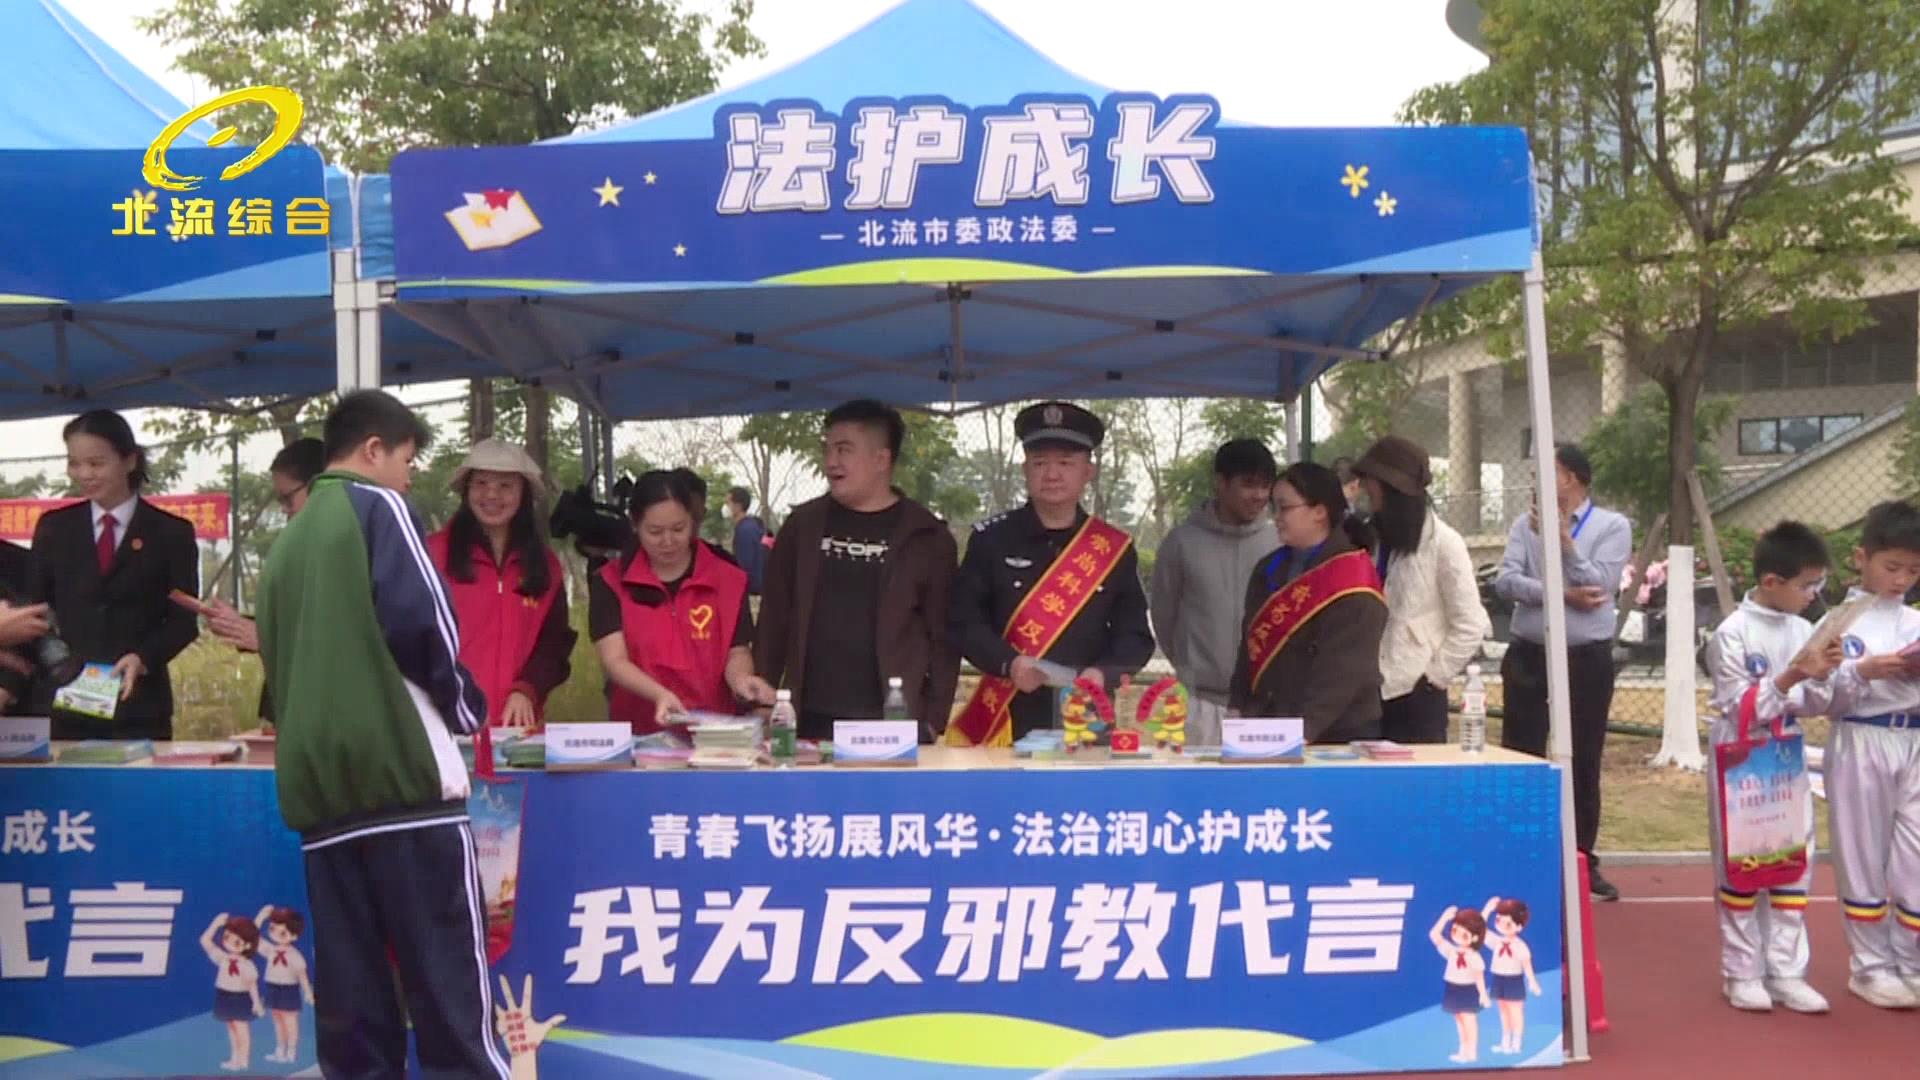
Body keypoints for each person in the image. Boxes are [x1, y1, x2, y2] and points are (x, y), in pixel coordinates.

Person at [255, 389, 508, 1079]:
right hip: (404, 782)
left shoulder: (287, 544)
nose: (409, 475)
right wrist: (467, 708)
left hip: (322, 797)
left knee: (354, 1002)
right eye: (407, 459)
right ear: (374, 450)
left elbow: (277, 663)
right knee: (449, 988)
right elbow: (425, 623)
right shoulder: (377, 506)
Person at [949, 402, 1153, 745]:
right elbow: (964, 622)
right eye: (1040, 462)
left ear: (1088, 471)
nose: (1052, 474)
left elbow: (1134, 636)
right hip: (1008, 714)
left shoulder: (1112, 548)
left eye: (1065, 463)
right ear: (1025, 469)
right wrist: (1009, 663)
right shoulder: (991, 540)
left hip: (1086, 712)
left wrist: (1102, 674)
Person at [757, 400, 960, 741]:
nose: (831, 462)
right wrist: (762, 699)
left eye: (844, 450)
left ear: (881, 459)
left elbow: (944, 635)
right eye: (828, 449)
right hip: (808, 718)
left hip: (891, 722)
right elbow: (774, 618)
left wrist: (933, 718)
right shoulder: (802, 526)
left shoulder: (927, 536)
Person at [1701, 521, 1839, 1014]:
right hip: (1741, 755)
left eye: (1819, 585)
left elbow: (1818, 701)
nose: (1813, 594)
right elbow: (1742, 708)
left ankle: (1787, 971)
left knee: (1791, 862)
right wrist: (1792, 677)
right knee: (1744, 863)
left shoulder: (1805, 630)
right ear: (1771, 582)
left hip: (1787, 754)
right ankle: (1742, 972)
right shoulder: (1731, 634)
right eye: (1807, 585)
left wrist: (1822, 674)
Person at [0, 409, 199, 738]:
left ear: (129, 461)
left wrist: (143, 657)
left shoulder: (171, 533)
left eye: (96, 463)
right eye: (74, 464)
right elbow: (34, 612)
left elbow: (183, 621)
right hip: (65, 702)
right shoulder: (54, 528)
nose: (84, 474)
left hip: (138, 707)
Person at [1493, 443, 1631, 902]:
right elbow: (1506, 581)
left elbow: (1601, 586)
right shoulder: (1523, 525)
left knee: (1583, 757)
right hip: (1530, 652)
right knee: (1521, 754)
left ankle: (1581, 860)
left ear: (1570, 478)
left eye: (1545, 472)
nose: (1535, 480)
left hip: (1585, 658)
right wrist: (1561, 595)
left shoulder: (1611, 526)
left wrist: (1565, 544)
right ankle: (1518, 856)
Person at [1811, 500, 1920, 1009]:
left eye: (1913, 570)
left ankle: (1910, 959)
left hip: (1914, 740)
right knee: (1862, 853)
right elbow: (1819, 698)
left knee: (1915, 854)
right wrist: (1860, 673)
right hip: (1860, 737)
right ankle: (1870, 966)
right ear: (1862, 558)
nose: (1902, 580)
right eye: (1892, 566)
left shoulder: (1914, 621)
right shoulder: (1839, 624)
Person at [592, 470, 774, 732]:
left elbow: (737, 650)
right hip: (641, 734)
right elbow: (615, 660)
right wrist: (659, 694)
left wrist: (741, 680)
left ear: (693, 520)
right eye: (655, 531)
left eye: (678, 529)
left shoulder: (729, 579)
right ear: (635, 524)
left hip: (715, 736)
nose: (668, 541)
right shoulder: (610, 582)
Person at [1228, 462, 1387, 741]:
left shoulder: (1353, 576)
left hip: (1337, 731)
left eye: (1285, 508)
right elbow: (1250, 647)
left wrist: (1302, 731)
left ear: (1319, 512)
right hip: (1271, 723)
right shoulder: (1267, 569)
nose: (1276, 517)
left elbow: (1345, 671)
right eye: (1274, 508)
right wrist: (1238, 705)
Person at [426, 439, 575, 728]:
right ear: (466, 490)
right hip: (444, 727)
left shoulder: (546, 565)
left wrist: (527, 689)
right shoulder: (430, 554)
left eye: (506, 486)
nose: (492, 494)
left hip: (516, 732)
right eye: (480, 483)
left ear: (524, 494)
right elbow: (410, 637)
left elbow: (554, 643)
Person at [1351, 436, 1490, 743]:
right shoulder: (1373, 537)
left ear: (1391, 487)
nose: (1365, 487)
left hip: (1416, 698)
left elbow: (1471, 623)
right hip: (1368, 692)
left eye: (1371, 480)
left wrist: (1433, 679)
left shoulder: (1445, 543)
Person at [1150, 438, 1276, 745]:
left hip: (1265, 704)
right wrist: (1193, 668)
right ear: (1220, 483)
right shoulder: (1181, 543)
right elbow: (1164, 618)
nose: (1259, 495)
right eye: (1248, 484)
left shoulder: (1279, 543)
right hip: (1199, 704)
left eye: (1265, 486)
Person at [203, 438, 326, 656]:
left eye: (288, 499)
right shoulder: (302, 545)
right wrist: (240, 624)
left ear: (319, 485)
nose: (284, 510)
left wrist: (266, 640)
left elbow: (335, 636)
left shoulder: (345, 548)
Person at [725, 485, 770, 596]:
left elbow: (744, 565)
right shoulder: (751, 525)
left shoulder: (745, 530)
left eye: (728, 503)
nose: (725, 507)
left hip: (752, 586)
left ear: (738, 506)